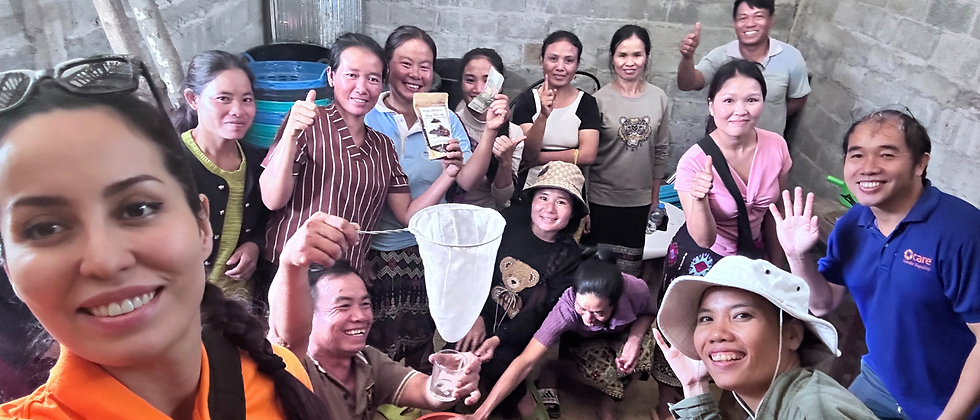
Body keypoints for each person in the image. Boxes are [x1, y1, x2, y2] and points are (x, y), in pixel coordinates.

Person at [0, 56, 329, 419]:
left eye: (138, 209)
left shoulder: (280, 379)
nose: (106, 261)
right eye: (45, 228)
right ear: (10, 272)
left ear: (202, 225)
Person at [771, 108, 980, 420]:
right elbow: (823, 303)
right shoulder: (852, 224)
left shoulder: (962, 232)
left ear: (920, 163)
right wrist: (798, 255)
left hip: (951, 400)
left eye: (886, 155)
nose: (868, 168)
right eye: (856, 156)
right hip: (878, 381)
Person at [259, 33, 463, 276]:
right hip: (293, 268)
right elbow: (272, 199)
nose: (362, 87)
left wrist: (448, 175)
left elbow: (407, 216)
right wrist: (291, 136)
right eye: (352, 75)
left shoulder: (383, 147)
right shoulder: (307, 123)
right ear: (331, 76)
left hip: (345, 276)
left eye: (373, 78)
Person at [266, 212, 483, 420]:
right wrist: (291, 264)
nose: (360, 315)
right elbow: (284, 340)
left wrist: (451, 380)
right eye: (343, 306)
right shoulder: (294, 367)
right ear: (308, 314)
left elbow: (425, 392)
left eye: (365, 304)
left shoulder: (367, 360)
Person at [363, 25, 490, 372]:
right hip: (377, 248)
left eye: (425, 66)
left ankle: (418, 399)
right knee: (376, 338)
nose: (416, 75)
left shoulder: (444, 118)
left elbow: (466, 177)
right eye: (406, 64)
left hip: (431, 247)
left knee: (422, 334)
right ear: (387, 65)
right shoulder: (367, 115)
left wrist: (490, 132)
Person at [654, 256, 878, 419]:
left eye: (741, 315)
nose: (717, 333)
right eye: (706, 318)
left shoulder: (814, 412)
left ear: (791, 334)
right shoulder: (778, 400)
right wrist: (695, 386)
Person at [458, 161, 586, 418]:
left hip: (516, 334)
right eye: (543, 197)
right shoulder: (507, 223)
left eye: (561, 202)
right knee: (457, 360)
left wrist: (498, 339)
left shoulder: (570, 257)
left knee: (500, 376)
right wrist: (476, 315)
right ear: (532, 201)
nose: (549, 208)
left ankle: (516, 400)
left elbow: (540, 312)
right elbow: (479, 269)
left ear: (572, 211)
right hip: (479, 314)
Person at [463, 252, 657, 420]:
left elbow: (648, 313)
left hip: (624, 331)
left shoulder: (635, 289)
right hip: (584, 341)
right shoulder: (564, 310)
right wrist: (482, 412)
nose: (588, 318)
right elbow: (525, 361)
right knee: (605, 373)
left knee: (643, 355)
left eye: (598, 312)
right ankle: (555, 369)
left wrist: (634, 341)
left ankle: (608, 403)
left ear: (615, 302)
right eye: (582, 308)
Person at [172, 50, 270, 303]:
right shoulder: (169, 161)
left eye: (247, 99)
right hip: (186, 309)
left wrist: (255, 246)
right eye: (223, 98)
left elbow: (268, 220)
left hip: (242, 311)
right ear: (193, 99)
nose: (238, 110)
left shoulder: (259, 161)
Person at [672, 59, 789, 270]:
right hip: (707, 259)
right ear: (711, 105)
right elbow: (703, 240)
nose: (741, 110)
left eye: (752, 100)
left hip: (755, 255)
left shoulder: (777, 146)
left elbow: (775, 212)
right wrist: (700, 200)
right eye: (729, 100)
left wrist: (777, 268)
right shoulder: (693, 163)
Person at [586, 24, 670, 277]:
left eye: (637, 55)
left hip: (639, 203)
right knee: (596, 273)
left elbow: (661, 151)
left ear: (646, 57)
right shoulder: (597, 100)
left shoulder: (659, 98)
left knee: (629, 273)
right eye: (623, 55)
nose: (630, 62)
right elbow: (587, 158)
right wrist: (585, 206)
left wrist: (654, 198)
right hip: (600, 200)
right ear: (613, 58)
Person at [676, 0, 810, 136]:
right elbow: (687, 84)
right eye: (743, 18)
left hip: (765, 149)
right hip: (723, 146)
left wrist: (770, 118)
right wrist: (687, 57)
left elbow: (797, 99)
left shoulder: (791, 57)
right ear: (735, 23)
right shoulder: (721, 55)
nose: (750, 23)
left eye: (758, 16)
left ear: (771, 20)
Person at [512, 30, 601, 190]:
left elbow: (588, 155)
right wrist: (543, 116)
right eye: (553, 59)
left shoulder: (586, 103)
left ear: (577, 64)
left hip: (570, 189)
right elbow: (528, 153)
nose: (560, 67)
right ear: (541, 60)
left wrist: (541, 158)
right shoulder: (527, 100)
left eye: (569, 60)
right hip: (529, 188)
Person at [455, 48, 525, 209]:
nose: (479, 89)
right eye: (470, 80)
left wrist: (505, 162)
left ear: (499, 85)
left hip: (488, 216)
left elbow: (502, 199)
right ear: (460, 83)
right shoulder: (451, 123)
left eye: (487, 81)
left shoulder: (513, 133)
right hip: (449, 211)